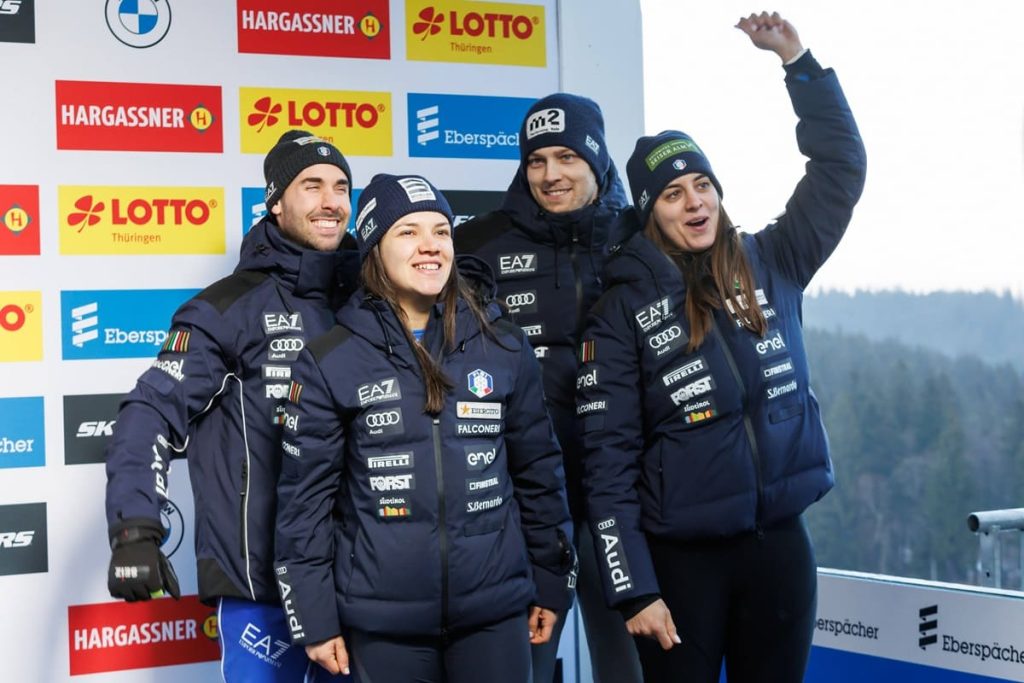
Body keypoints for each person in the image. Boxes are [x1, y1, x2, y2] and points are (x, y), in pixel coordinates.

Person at [576, 12, 867, 683]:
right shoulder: (621, 307)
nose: (695, 202)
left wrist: (799, 62)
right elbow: (608, 461)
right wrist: (633, 587)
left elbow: (841, 167)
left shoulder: (773, 260)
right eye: (674, 194)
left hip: (780, 546)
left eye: (702, 184)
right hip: (681, 562)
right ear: (652, 213)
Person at [273, 173, 575, 683]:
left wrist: (552, 580)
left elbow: (539, 473)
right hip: (383, 625)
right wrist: (314, 617)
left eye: (441, 231)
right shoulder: (331, 359)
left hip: (496, 615)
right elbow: (304, 504)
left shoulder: (501, 344)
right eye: (408, 232)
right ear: (374, 247)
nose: (430, 246)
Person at [104, 130, 357, 682]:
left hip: (370, 582)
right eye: (310, 185)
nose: (330, 201)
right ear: (275, 201)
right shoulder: (226, 309)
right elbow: (150, 410)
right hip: (261, 585)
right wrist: (135, 529)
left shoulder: (371, 300)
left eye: (340, 187)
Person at [454, 93, 642, 683]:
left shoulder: (641, 235)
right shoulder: (479, 243)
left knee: (630, 670)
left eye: (566, 157)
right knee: (521, 670)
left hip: (625, 501)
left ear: (596, 160)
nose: (551, 174)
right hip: (527, 507)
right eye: (536, 160)